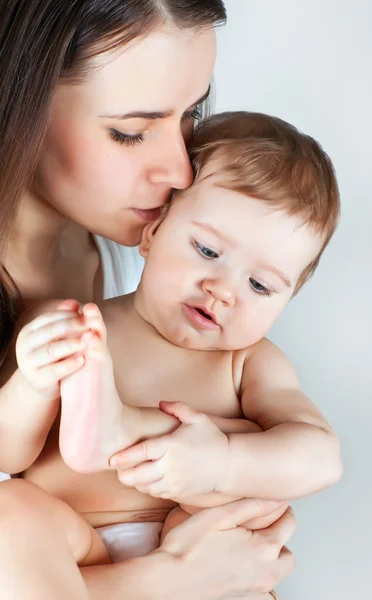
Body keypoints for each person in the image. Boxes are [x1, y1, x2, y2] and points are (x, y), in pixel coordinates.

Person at [0, 1, 297, 598]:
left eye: (190, 116)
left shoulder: (148, 266)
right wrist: (167, 581)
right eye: (131, 132)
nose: (182, 171)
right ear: (19, 102)